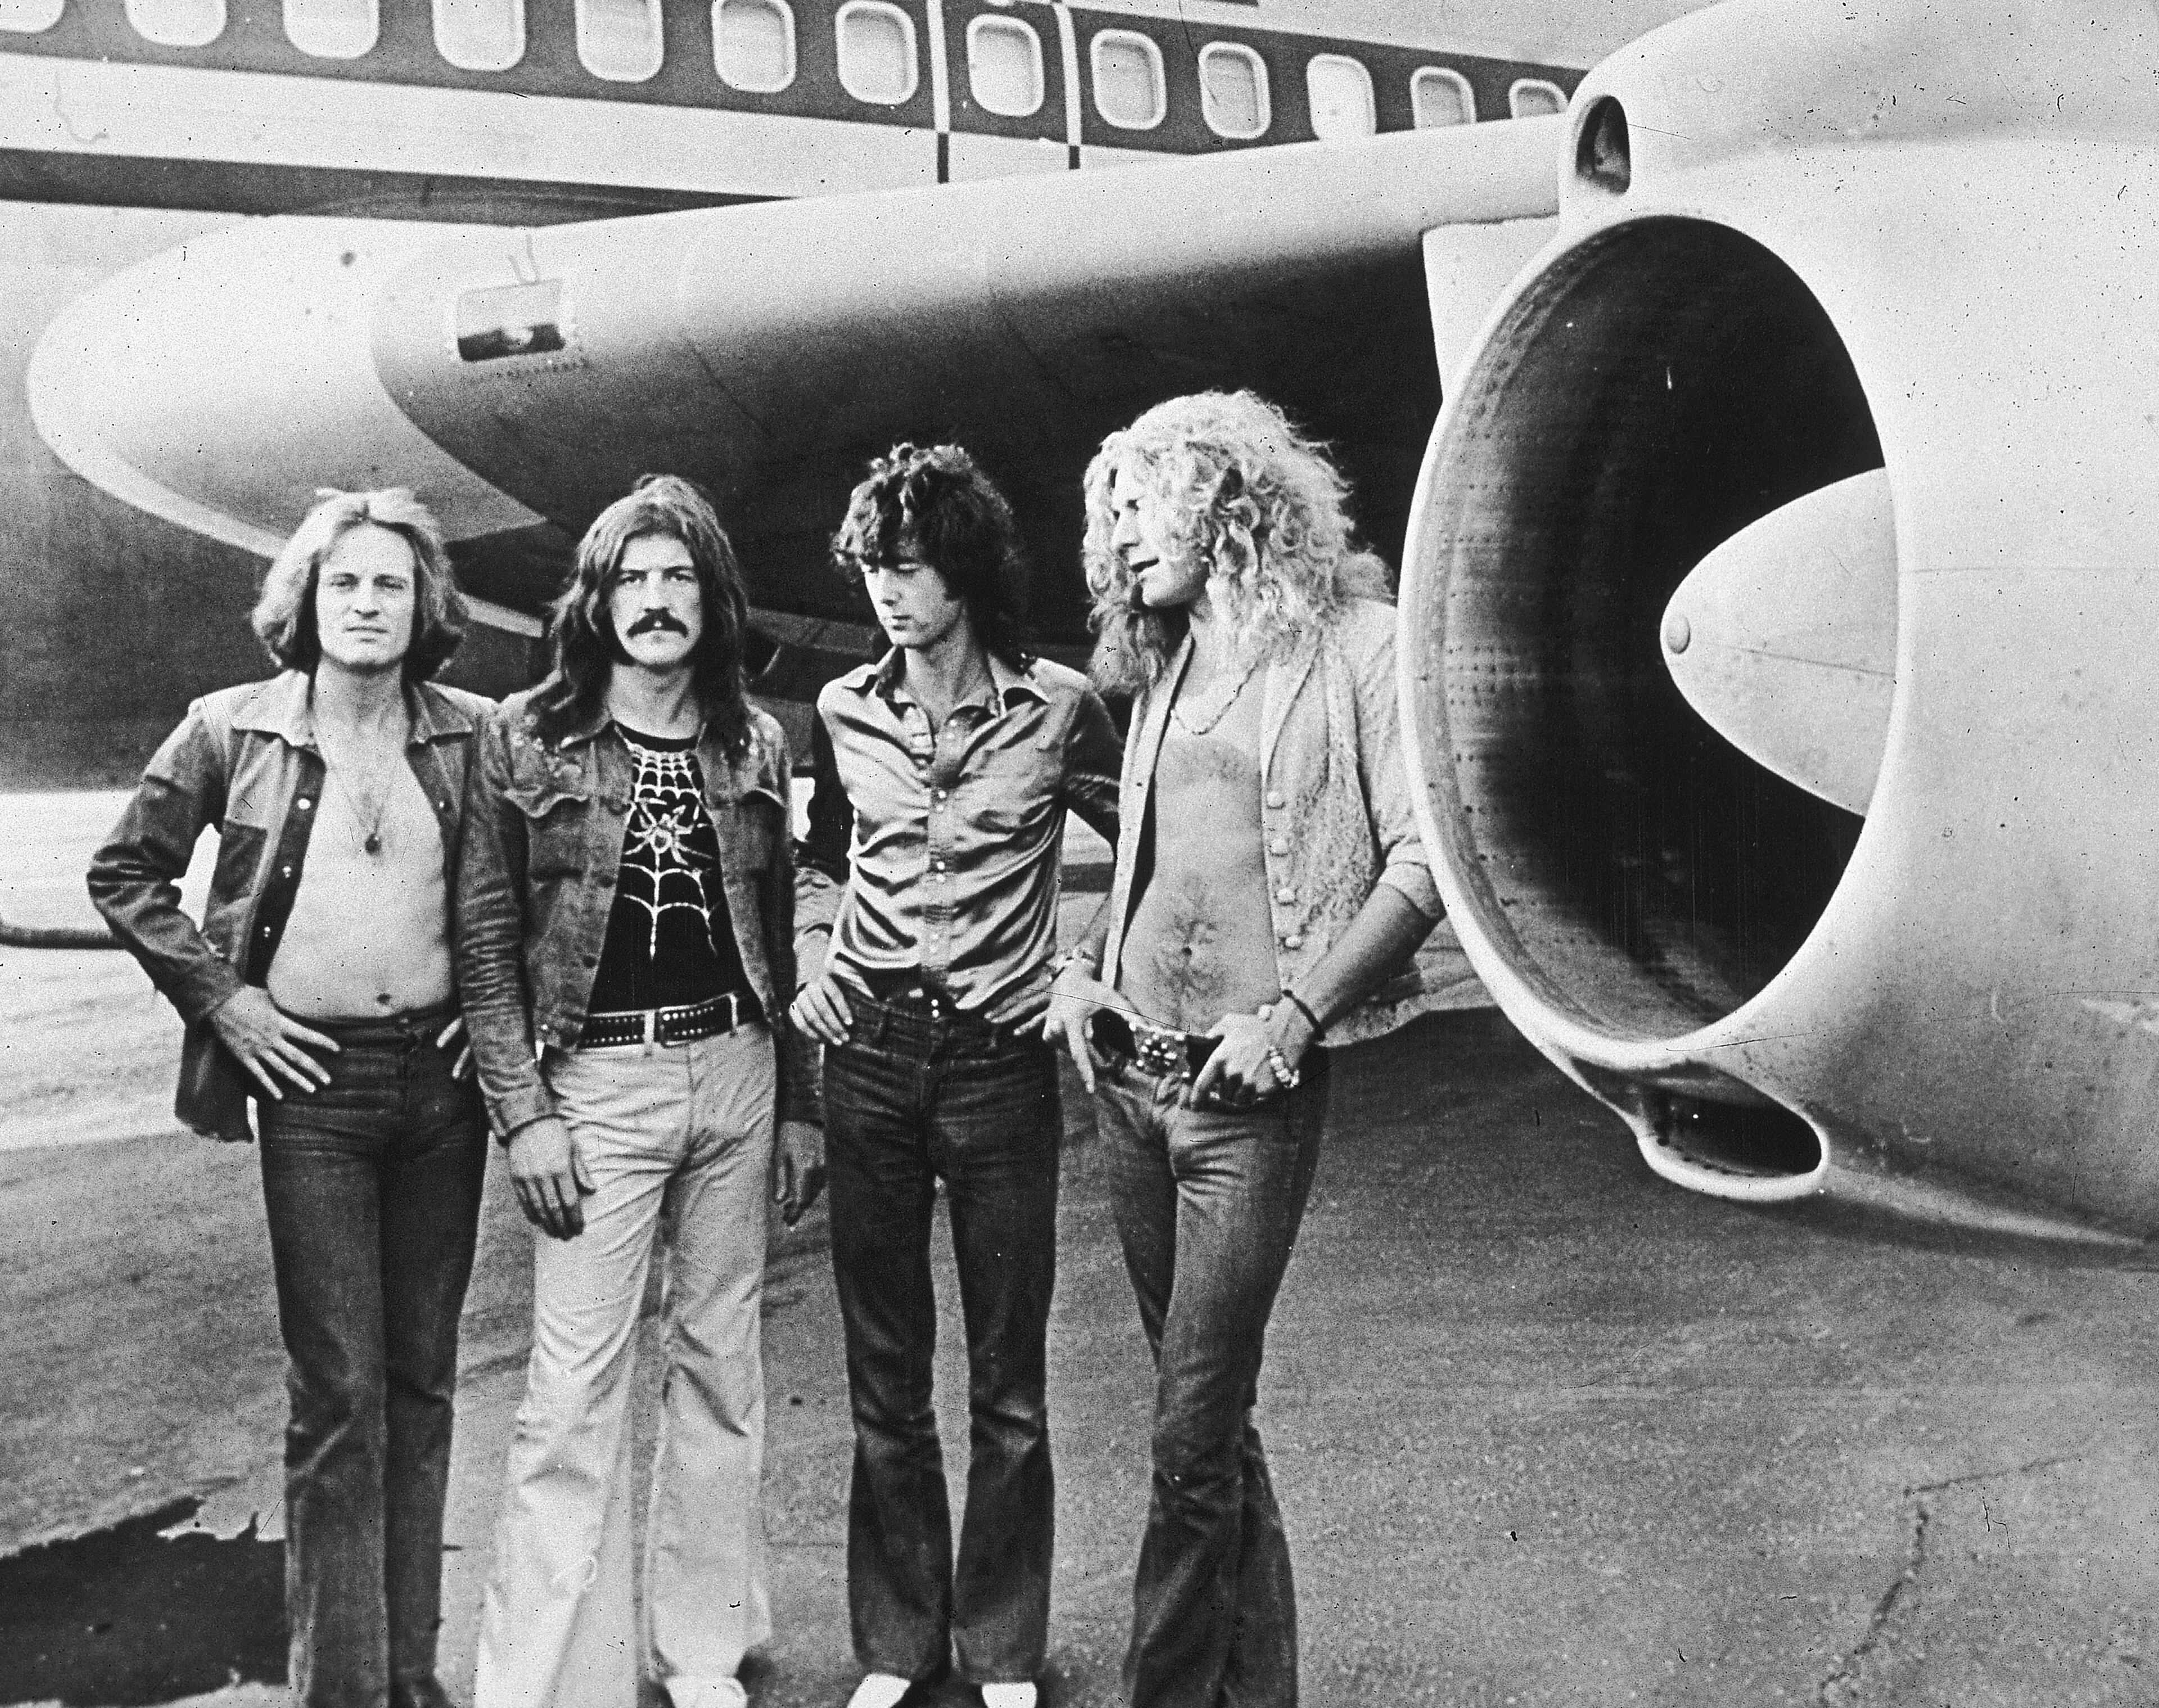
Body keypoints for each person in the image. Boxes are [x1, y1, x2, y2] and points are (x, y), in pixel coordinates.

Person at [1043, 392, 1447, 1708]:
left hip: (1243, 1096)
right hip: (1134, 1086)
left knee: (1184, 1436)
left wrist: (1295, 1016)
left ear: (1222, 496)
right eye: (1107, 517)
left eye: (1136, 502)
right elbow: (1156, 862)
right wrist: (1085, 975)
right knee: (1209, 1429)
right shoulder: (1161, 668)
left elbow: (1421, 863)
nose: (1117, 539)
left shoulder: (1358, 646)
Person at [89, 489, 491, 1708]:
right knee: (340, 1396)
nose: (367, 605)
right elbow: (126, 869)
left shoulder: (478, 731)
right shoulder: (228, 727)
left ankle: (413, 1673)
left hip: (444, 1090)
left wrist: (503, 998)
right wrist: (224, 1001)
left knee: (422, 1385)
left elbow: (541, 884)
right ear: (305, 601)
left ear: (426, 606)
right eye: (344, 583)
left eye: (390, 584)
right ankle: (342, 1688)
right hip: (310, 1090)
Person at [458, 475, 824, 1708]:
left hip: (735, 1069)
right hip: (595, 1083)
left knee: (723, 1364)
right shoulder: (527, 738)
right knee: (573, 1392)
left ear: (714, 601)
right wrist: (528, 1114)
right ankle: (551, 1679)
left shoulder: (753, 742)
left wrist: (803, 1106)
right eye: (634, 578)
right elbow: (486, 942)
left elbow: (779, 932)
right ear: (597, 601)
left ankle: (704, 1648)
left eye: (680, 579)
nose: (657, 601)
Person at [789, 444, 1121, 1708]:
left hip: (997, 1063)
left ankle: (1001, 1651)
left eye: (910, 568)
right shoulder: (843, 709)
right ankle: (898, 1644)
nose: (888, 591)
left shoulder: (1058, 706)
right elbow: (819, 856)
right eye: (873, 567)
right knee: (884, 1373)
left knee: (1010, 1381)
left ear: (967, 572)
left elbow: (1137, 846)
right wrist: (817, 950)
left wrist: (1083, 967)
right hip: (868, 1051)